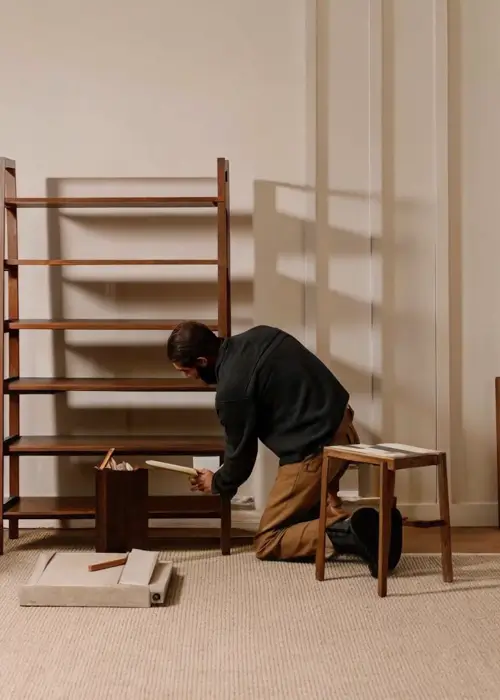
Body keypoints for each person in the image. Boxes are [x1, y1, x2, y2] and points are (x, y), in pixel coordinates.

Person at [167, 321, 403, 577]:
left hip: (316, 453)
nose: (186, 376)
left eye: (186, 370)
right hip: (344, 428)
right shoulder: (262, 334)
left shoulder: (231, 391)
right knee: (301, 519)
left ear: (202, 361)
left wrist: (216, 482)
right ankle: (361, 523)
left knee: (268, 540)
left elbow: (241, 458)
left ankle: (351, 531)